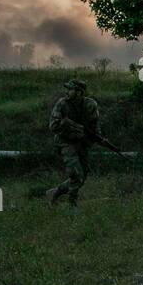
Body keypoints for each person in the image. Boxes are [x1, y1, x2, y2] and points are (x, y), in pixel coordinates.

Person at [46, 78, 102, 206]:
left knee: (83, 175)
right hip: (65, 142)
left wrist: (99, 138)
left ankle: (55, 192)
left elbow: (95, 124)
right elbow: (53, 126)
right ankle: (72, 204)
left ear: (79, 92)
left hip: (82, 143)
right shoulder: (62, 104)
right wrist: (72, 126)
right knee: (76, 175)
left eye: (70, 89)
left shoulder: (90, 104)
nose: (67, 92)